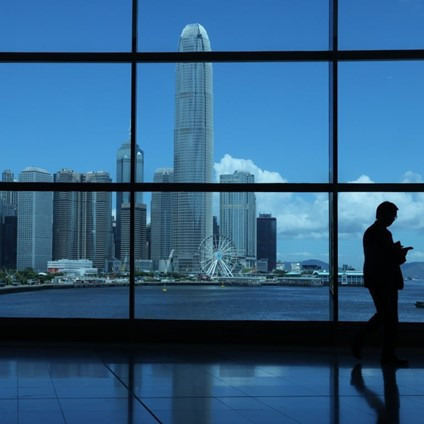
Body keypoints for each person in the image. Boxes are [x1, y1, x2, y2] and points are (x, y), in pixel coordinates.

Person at [352, 201, 412, 366]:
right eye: (392, 215)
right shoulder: (383, 233)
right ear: (384, 215)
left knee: (384, 315)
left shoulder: (371, 232)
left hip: (375, 278)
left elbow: (379, 255)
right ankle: (382, 352)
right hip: (385, 279)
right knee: (390, 318)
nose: (394, 219)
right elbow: (388, 258)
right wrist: (401, 254)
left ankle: (364, 340)